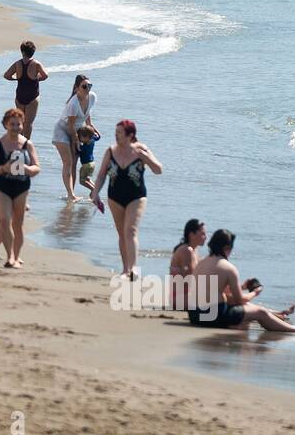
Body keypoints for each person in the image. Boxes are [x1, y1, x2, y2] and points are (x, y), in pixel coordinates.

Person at [188, 230, 295, 333]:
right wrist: (255, 292)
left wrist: (242, 286)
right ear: (227, 248)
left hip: (194, 315)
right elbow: (239, 300)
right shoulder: (228, 268)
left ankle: (276, 316)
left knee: (242, 307)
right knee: (260, 312)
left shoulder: (201, 263)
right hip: (213, 317)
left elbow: (219, 291)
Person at [90, 120, 162, 280]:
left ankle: (134, 270)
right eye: (115, 133)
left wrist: (147, 158)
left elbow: (158, 170)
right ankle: (125, 270)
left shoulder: (141, 150)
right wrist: (95, 193)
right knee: (122, 234)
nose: (116, 136)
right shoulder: (111, 151)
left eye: (120, 133)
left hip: (136, 197)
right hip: (115, 197)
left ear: (130, 135)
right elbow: (102, 175)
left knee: (130, 231)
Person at [0, 108, 40, 268]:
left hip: (21, 187)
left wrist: (27, 169)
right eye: (12, 124)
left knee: (17, 224)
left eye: (18, 124)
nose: (15, 127)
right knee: (4, 220)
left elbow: (37, 168)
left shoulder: (27, 144)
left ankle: (16, 257)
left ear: (22, 125)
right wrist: (4, 168)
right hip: (2, 186)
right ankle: (10, 257)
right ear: (5, 125)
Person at [51, 75, 95, 201]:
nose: (87, 89)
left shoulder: (92, 97)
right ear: (76, 89)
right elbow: (70, 126)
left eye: (89, 86)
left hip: (75, 131)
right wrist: (76, 141)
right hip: (62, 131)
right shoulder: (73, 103)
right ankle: (70, 195)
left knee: (74, 164)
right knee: (68, 162)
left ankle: (72, 193)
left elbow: (87, 112)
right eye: (84, 86)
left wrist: (90, 126)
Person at [3, 41, 49, 138]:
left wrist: (17, 78)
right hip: (32, 97)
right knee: (28, 123)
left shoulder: (17, 64)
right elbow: (45, 75)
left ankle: (18, 142)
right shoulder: (36, 64)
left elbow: (7, 75)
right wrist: (36, 80)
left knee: (20, 122)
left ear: (22, 52)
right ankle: (26, 145)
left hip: (20, 95)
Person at [169, 219, 207, 310]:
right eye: (203, 234)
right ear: (191, 234)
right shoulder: (186, 251)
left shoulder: (194, 251)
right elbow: (189, 280)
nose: (206, 237)